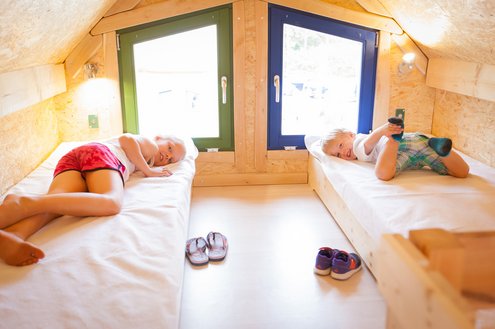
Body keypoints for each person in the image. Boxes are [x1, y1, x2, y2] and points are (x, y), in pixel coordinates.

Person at [0, 133, 186, 267]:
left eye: (171, 159)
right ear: (159, 137)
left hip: (76, 157)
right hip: (101, 154)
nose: (167, 156)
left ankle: (14, 235)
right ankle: (24, 202)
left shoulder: (149, 155)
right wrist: (148, 170)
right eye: (169, 148)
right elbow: (127, 140)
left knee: (58, 202)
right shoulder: (150, 146)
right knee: (111, 202)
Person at [321, 117, 469, 181]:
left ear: (351, 135)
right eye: (338, 155)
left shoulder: (359, 141)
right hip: (420, 144)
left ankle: (393, 140)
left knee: (382, 173)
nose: (343, 153)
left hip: (397, 146)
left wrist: (381, 131)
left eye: (340, 146)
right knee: (461, 172)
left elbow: (366, 146)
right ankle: (441, 149)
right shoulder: (357, 145)